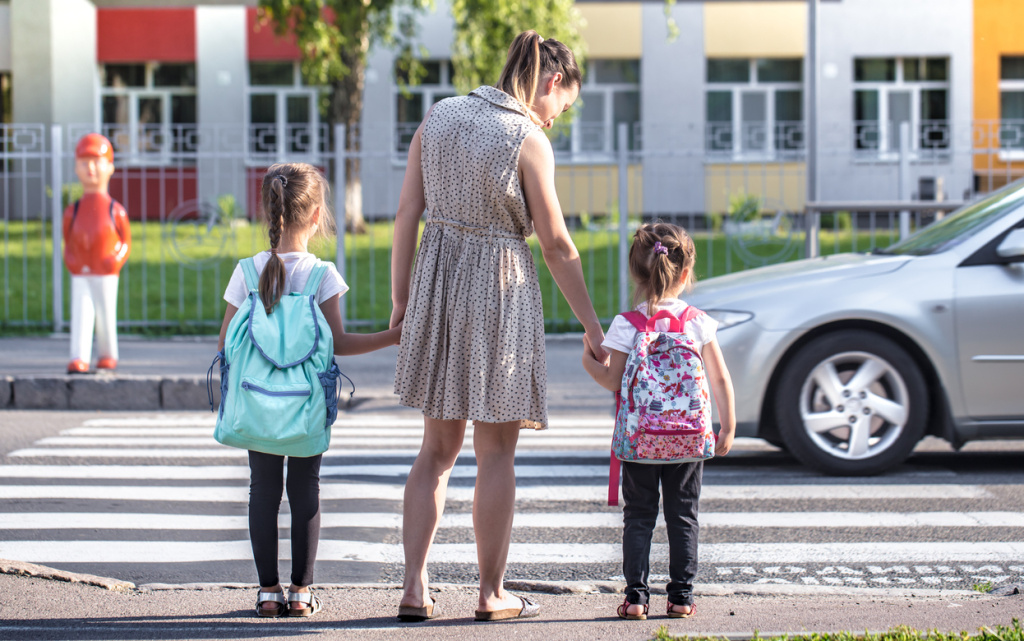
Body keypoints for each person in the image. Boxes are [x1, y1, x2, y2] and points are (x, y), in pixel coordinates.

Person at [390, 30, 607, 622]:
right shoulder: (527, 139)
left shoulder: (440, 115)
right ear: (552, 82)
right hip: (498, 290)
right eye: (565, 104)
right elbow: (558, 246)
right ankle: (490, 595)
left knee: (435, 449)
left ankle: (414, 587)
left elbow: (408, 211)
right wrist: (592, 326)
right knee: (495, 454)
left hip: (437, 278)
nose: (560, 117)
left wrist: (401, 298)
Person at [216, 163, 402, 617]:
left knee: (262, 490)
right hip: (305, 407)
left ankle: (266, 592)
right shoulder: (323, 276)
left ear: (267, 212)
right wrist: (392, 336)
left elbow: (225, 343)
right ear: (317, 215)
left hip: (257, 403)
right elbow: (339, 343)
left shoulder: (247, 271)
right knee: (306, 492)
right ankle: (301, 592)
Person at [580, 222, 736, 621]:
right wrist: (727, 424)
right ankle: (681, 598)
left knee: (639, 518)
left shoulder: (626, 325)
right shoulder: (698, 321)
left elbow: (611, 379)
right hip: (687, 439)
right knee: (683, 516)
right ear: (685, 274)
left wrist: (588, 362)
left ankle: (635, 599)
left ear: (635, 273)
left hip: (641, 441)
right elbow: (719, 377)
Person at [63, 133, 131, 374]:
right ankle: (78, 356)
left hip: (106, 272)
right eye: (84, 162)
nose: (90, 168)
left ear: (110, 167)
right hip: (81, 272)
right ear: (76, 167)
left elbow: (125, 241)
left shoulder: (116, 210)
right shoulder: (74, 210)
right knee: (80, 312)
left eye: (97, 161)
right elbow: (68, 240)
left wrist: (116, 259)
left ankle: (107, 354)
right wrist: (72, 261)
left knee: (105, 314)